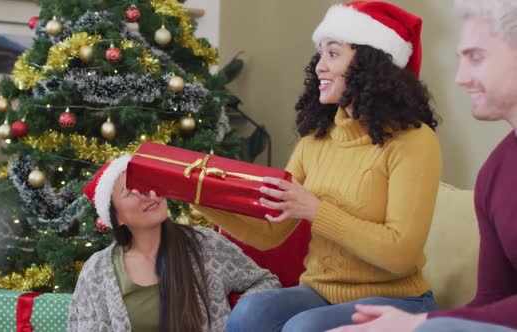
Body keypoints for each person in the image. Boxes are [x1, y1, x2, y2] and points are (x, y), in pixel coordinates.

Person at [194, 1, 442, 331]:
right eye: (320, 54)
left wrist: (315, 209)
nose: (319, 67)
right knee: (252, 310)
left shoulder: (414, 141)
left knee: (305, 328)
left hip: (397, 299)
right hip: (321, 293)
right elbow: (271, 233)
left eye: (334, 54)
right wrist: (196, 195)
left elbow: (400, 255)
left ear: (371, 63)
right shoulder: (316, 141)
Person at [328, 0, 517, 331]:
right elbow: (491, 301)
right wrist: (407, 323)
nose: (461, 78)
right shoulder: (495, 171)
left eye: (476, 57)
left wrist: (421, 323)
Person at [67, 155, 280, 332]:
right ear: (117, 218)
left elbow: (265, 282)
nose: (147, 195)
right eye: (130, 192)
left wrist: (240, 319)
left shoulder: (204, 245)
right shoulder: (97, 271)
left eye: (146, 184)